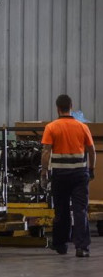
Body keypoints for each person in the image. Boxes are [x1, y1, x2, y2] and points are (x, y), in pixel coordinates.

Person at [40, 94, 96, 257]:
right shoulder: (82, 127)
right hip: (79, 175)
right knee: (80, 210)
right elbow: (92, 151)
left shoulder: (51, 127)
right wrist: (91, 168)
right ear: (71, 107)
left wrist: (44, 172)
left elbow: (46, 152)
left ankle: (61, 245)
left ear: (58, 108)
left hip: (60, 175)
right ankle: (82, 247)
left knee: (62, 210)